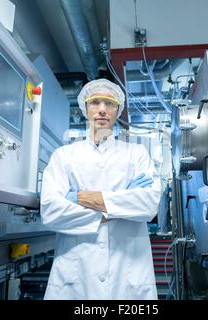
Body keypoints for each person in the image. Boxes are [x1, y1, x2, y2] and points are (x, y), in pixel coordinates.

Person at [40, 78, 161, 299]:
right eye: (95, 102)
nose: (102, 110)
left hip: (127, 277)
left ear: (118, 110)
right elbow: (50, 212)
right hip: (76, 278)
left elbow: (148, 205)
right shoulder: (64, 156)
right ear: (85, 109)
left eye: (110, 103)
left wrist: (77, 198)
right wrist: (123, 201)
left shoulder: (137, 154)